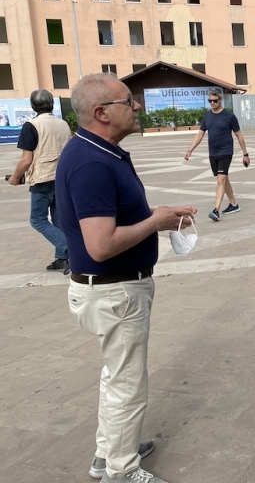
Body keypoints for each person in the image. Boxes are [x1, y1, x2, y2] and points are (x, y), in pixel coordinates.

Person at [56, 73, 196, 483]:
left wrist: (159, 218)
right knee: (127, 385)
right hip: (114, 291)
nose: (137, 107)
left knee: (116, 377)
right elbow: (101, 245)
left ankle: (110, 451)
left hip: (111, 290)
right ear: (101, 113)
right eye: (127, 101)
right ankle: (121, 470)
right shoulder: (91, 162)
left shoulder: (99, 152)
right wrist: (155, 221)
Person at [7, 89, 71, 274]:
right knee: (59, 220)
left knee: (38, 220)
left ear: (33, 106)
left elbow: (26, 160)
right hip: (62, 179)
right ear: (51, 103)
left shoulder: (31, 125)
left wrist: (15, 177)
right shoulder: (63, 124)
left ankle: (69, 248)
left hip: (43, 180)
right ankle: (62, 259)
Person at [184, 88, 249, 221]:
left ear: (221, 100)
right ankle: (234, 204)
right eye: (210, 101)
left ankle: (216, 210)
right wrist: (190, 149)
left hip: (226, 151)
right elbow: (200, 134)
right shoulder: (207, 116)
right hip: (213, 153)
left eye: (215, 100)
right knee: (223, 178)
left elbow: (239, 135)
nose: (212, 103)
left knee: (220, 180)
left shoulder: (229, 116)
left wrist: (245, 154)